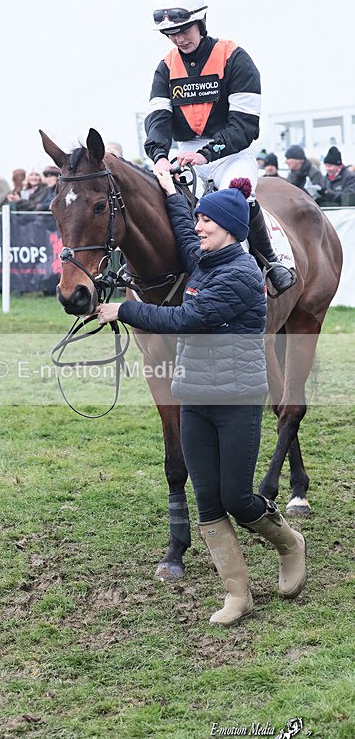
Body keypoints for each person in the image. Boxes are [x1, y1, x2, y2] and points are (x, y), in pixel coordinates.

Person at [96, 173, 306, 626]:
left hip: (236, 402)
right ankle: (238, 595)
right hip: (194, 397)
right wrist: (171, 194)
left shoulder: (241, 275)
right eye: (198, 219)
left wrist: (124, 309)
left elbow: (190, 317)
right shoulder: (204, 260)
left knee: (238, 499)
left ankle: (290, 544)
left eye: (207, 219)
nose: (198, 226)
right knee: (208, 502)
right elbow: (186, 237)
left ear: (230, 227)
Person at [144, 0, 295, 295]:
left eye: (184, 30)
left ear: (200, 22)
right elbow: (158, 118)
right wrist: (159, 155)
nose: (178, 39)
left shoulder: (235, 58)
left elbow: (244, 126)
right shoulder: (165, 68)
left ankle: (268, 263)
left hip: (231, 155)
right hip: (185, 154)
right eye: (171, 34)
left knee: (237, 196)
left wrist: (207, 154)